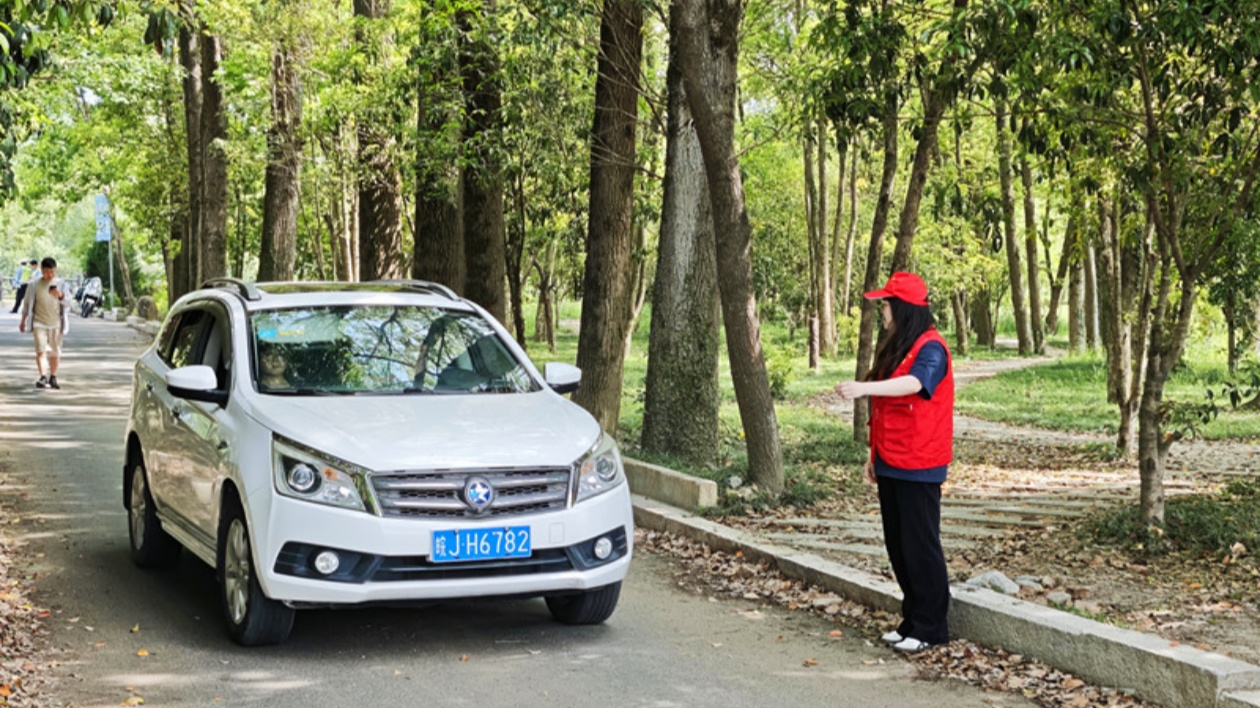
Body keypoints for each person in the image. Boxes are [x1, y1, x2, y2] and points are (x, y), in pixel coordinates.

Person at [834, 272, 954, 654]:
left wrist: (863, 388)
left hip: (919, 463)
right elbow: (888, 409)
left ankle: (931, 626)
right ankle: (912, 620)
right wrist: (873, 457)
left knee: (921, 546)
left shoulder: (931, 348)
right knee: (898, 546)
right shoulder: (899, 347)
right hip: (891, 459)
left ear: (902, 308)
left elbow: (915, 385)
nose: (882, 311)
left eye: (885, 304)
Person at [18, 257, 72, 390]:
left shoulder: (61, 284)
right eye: (46, 272)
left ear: (55, 270)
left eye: (52, 272)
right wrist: (23, 321)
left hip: (56, 323)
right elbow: (26, 304)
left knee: (55, 352)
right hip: (39, 322)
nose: (49, 275)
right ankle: (43, 377)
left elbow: (69, 303)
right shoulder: (34, 285)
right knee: (40, 351)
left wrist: (61, 296)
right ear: (41, 270)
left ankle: (53, 377)